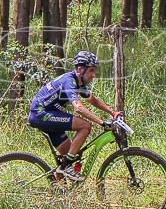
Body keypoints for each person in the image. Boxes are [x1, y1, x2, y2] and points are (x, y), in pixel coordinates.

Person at [28, 51, 121, 182]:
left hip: (49, 114)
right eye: (91, 71)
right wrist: (101, 123)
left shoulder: (78, 83)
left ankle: (58, 187)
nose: (94, 75)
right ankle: (64, 168)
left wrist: (112, 112)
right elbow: (78, 107)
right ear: (80, 69)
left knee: (70, 155)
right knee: (85, 126)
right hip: (41, 114)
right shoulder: (69, 81)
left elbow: (92, 100)